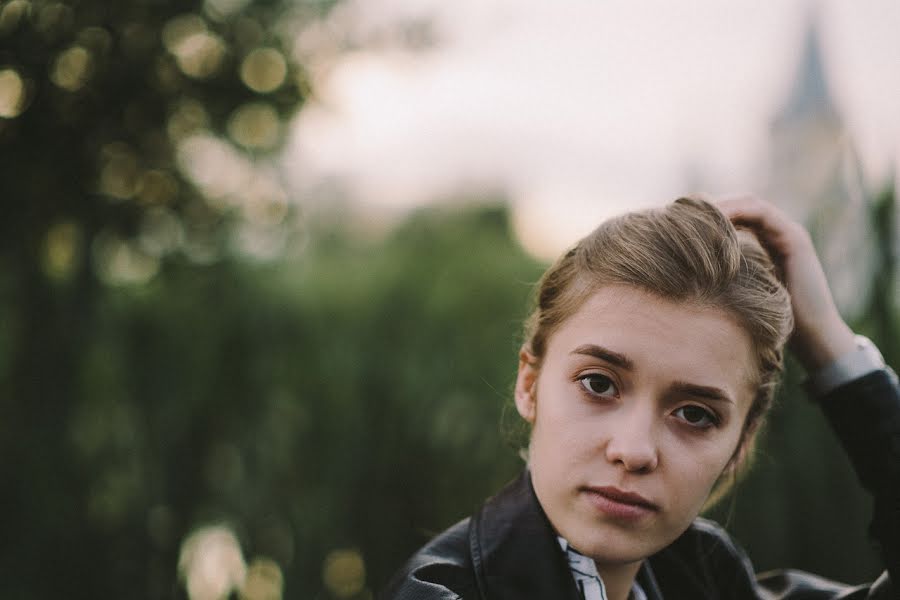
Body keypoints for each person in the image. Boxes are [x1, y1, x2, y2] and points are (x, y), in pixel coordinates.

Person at [381, 194, 900, 600]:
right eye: (599, 384)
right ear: (529, 383)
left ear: (741, 445)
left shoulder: (705, 580)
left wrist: (833, 348)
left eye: (694, 414)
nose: (633, 450)